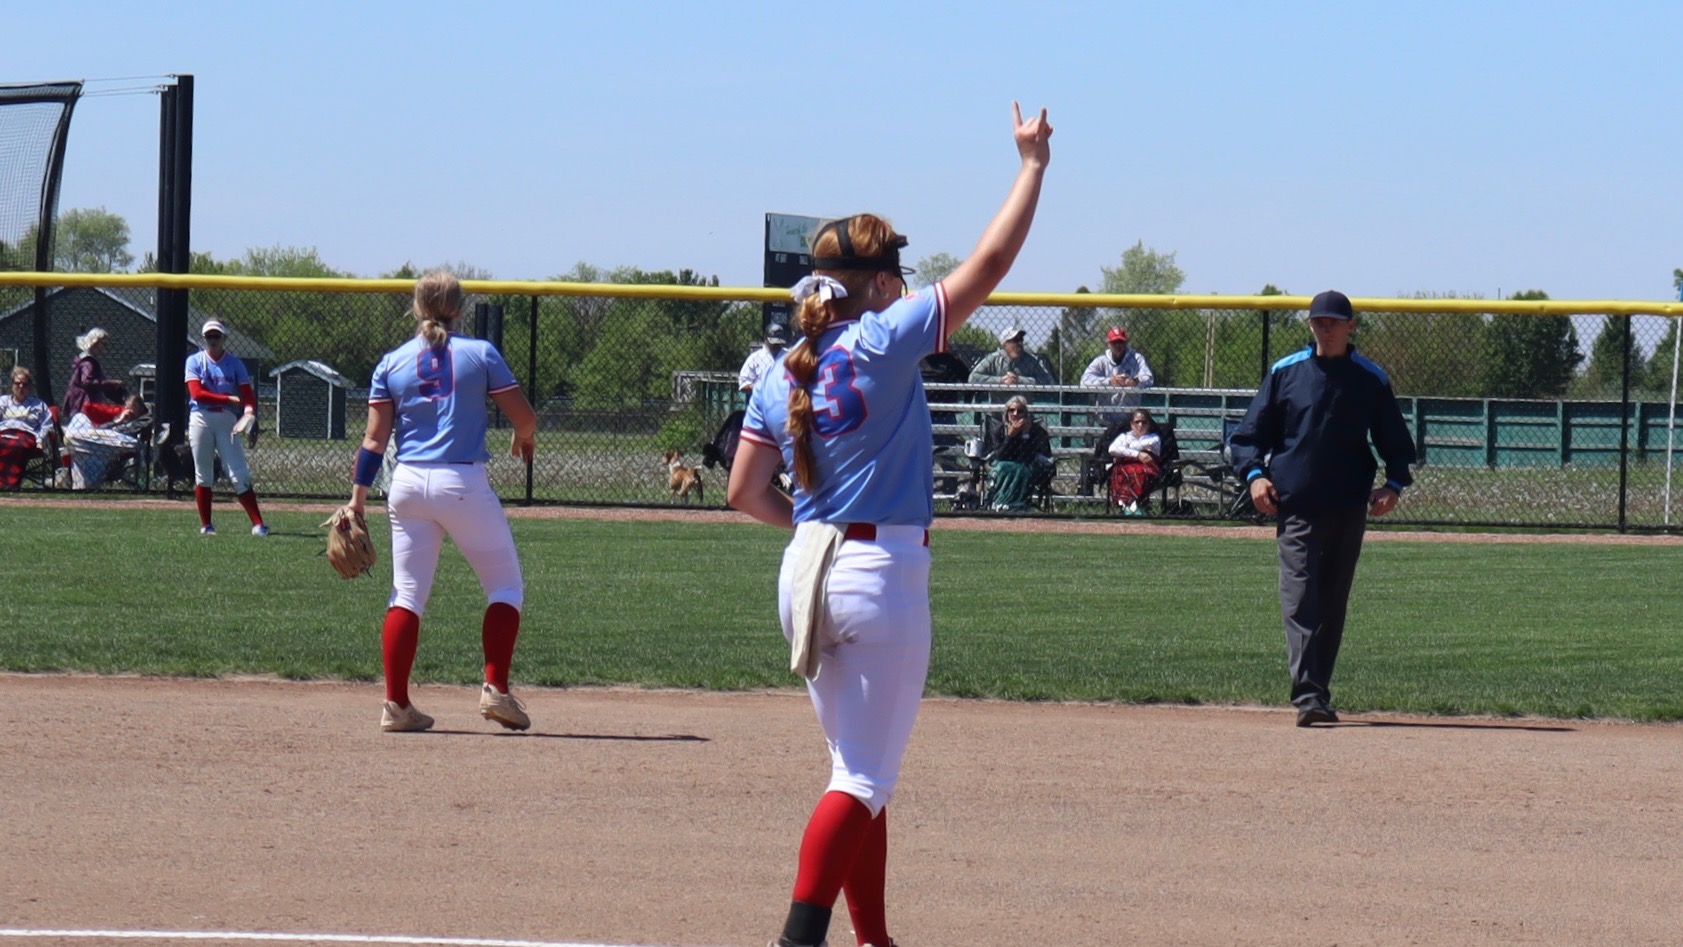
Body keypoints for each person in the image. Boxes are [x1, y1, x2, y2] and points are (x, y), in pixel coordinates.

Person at [728, 101, 1051, 947]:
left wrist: (812, 531)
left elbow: (741, 491)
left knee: (857, 772)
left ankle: (873, 938)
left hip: (806, 568)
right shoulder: (880, 338)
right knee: (860, 779)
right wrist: (1031, 167)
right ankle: (799, 940)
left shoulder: (779, 369)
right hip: (878, 573)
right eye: (893, 270)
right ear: (871, 284)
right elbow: (991, 261)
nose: (902, 280)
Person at [348, 270, 539, 735]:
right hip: (462, 481)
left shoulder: (391, 362)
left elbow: (374, 441)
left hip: (407, 484)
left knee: (407, 595)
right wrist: (523, 436)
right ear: (459, 308)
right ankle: (494, 687)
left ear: (417, 309)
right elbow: (525, 416)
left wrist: (356, 501)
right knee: (506, 588)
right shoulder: (480, 353)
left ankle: (396, 704)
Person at [1229, 290, 1416, 728]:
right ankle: (1309, 696)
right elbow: (1247, 437)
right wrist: (1255, 476)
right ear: (1310, 325)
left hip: (1350, 505)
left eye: (1334, 321)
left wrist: (1393, 485)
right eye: (1318, 321)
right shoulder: (1287, 372)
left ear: (1351, 326)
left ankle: (1318, 692)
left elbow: (1395, 440)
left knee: (1331, 601)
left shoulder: (1370, 377)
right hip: (1295, 502)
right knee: (1300, 597)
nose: (1325, 327)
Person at [185, 319, 269, 536]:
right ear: (204, 339)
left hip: (226, 420)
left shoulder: (234, 364)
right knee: (203, 475)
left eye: (217, 336)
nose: (213, 340)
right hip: (201, 418)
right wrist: (227, 399)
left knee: (239, 473)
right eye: (209, 336)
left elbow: (247, 396)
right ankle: (206, 525)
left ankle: (258, 524)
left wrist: (249, 412)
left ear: (224, 338)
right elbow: (196, 394)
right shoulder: (195, 361)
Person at [984, 395, 1053, 512]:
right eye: (1011, 410)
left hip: (1027, 464)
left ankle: (1018, 505)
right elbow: (1000, 456)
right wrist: (1010, 436)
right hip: (1002, 464)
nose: (1015, 414)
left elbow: (1029, 456)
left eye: (1020, 411)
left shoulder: (1036, 431)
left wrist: (1025, 434)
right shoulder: (999, 430)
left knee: (1021, 469)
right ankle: (1000, 503)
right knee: (1003, 467)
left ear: (1026, 414)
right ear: (1006, 413)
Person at [1080, 326, 1155, 422]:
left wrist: (1135, 381)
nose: (1118, 345)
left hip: (1130, 420)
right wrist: (1109, 381)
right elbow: (1084, 381)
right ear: (1108, 344)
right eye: (1114, 342)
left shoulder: (1136, 359)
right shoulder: (1101, 361)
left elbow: (1148, 378)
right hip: (1105, 418)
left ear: (1126, 343)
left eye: (1121, 342)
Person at [0, 367, 56, 488]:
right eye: (17, 383)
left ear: (30, 387)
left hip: (26, 435)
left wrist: (40, 440)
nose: (21, 387)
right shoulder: (3, 402)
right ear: (11, 385)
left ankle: (11, 484)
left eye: (24, 384)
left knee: (16, 446)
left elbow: (47, 425)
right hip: (4, 433)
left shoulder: (38, 404)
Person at [62, 328, 128, 426]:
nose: (105, 348)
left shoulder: (83, 359)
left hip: (78, 403)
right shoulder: (89, 363)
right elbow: (86, 382)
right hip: (84, 403)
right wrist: (112, 383)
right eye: (104, 344)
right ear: (95, 343)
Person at [1106, 408, 1162, 515]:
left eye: (1144, 422)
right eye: (1137, 422)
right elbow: (1112, 449)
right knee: (1122, 471)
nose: (1140, 425)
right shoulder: (1125, 436)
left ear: (1149, 424)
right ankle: (1127, 505)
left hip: (1147, 467)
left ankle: (1135, 504)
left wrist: (1124, 449)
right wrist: (1139, 454)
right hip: (1125, 465)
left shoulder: (1154, 438)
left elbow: (1133, 446)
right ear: (1131, 424)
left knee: (1138, 471)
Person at [967, 326, 1054, 387]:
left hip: (1022, 410)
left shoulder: (1031, 360)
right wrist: (1001, 380)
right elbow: (973, 378)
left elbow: (1048, 380)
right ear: (1005, 344)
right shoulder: (994, 358)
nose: (1019, 343)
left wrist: (1019, 380)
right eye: (1015, 340)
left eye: (1021, 339)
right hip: (996, 411)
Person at [739, 322, 790, 395]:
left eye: (779, 342)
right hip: (761, 400)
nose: (776, 345)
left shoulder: (790, 355)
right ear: (765, 338)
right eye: (773, 342)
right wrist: (763, 388)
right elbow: (743, 384)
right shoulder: (755, 358)